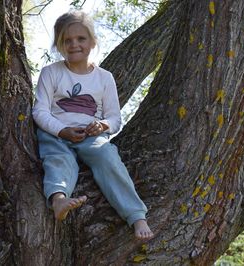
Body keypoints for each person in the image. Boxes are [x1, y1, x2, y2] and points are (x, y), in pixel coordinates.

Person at [32, 10, 153, 240]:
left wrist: (102, 126)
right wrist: (61, 130)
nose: (74, 44)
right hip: (56, 133)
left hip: (90, 136)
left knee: (107, 157)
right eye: (67, 40)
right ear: (58, 45)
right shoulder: (51, 73)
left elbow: (115, 118)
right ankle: (59, 200)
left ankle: (136, 215)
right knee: (58, 159)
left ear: (92, 41)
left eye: (81, 39)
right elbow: (39, 110)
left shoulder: (104, 78)